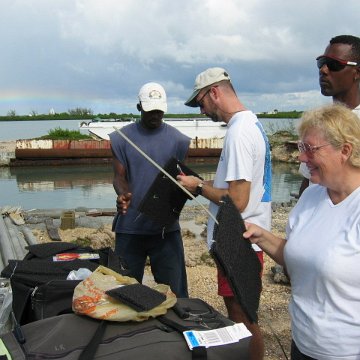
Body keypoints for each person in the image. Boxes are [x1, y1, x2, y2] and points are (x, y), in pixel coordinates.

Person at [244, 103, 360, 360]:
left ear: (345, 150)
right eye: (301, 147)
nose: (301, 158)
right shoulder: (311, 196)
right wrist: (261, 235)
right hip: (303, 344)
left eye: (310, 149)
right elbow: (298, 256)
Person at [178, 67, 272, 360]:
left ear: (215, 92)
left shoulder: (238, 132)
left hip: (238, 241)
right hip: (246, 239)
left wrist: (198, 185)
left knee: (242, 317)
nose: (202, 110)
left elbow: (238, 200)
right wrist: (206, 184)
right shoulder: (251, 124)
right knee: (243, 314)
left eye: (201, 102)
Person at [109, 82, 191, 298]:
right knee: (125, 295)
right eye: (149, 109)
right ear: (139, 107)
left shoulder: (180, 141)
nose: (155, 114)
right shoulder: (121, 138)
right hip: (130, 229)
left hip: (166, 229)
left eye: (159, 110)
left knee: (176, 295)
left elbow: (181, 180)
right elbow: (119, 176)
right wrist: (123, 194)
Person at [298, 34, 360, 196]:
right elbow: (308, 180)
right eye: (322, 63)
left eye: (333, 64)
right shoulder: (318, 123)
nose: (323, 70)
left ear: (357, 72)